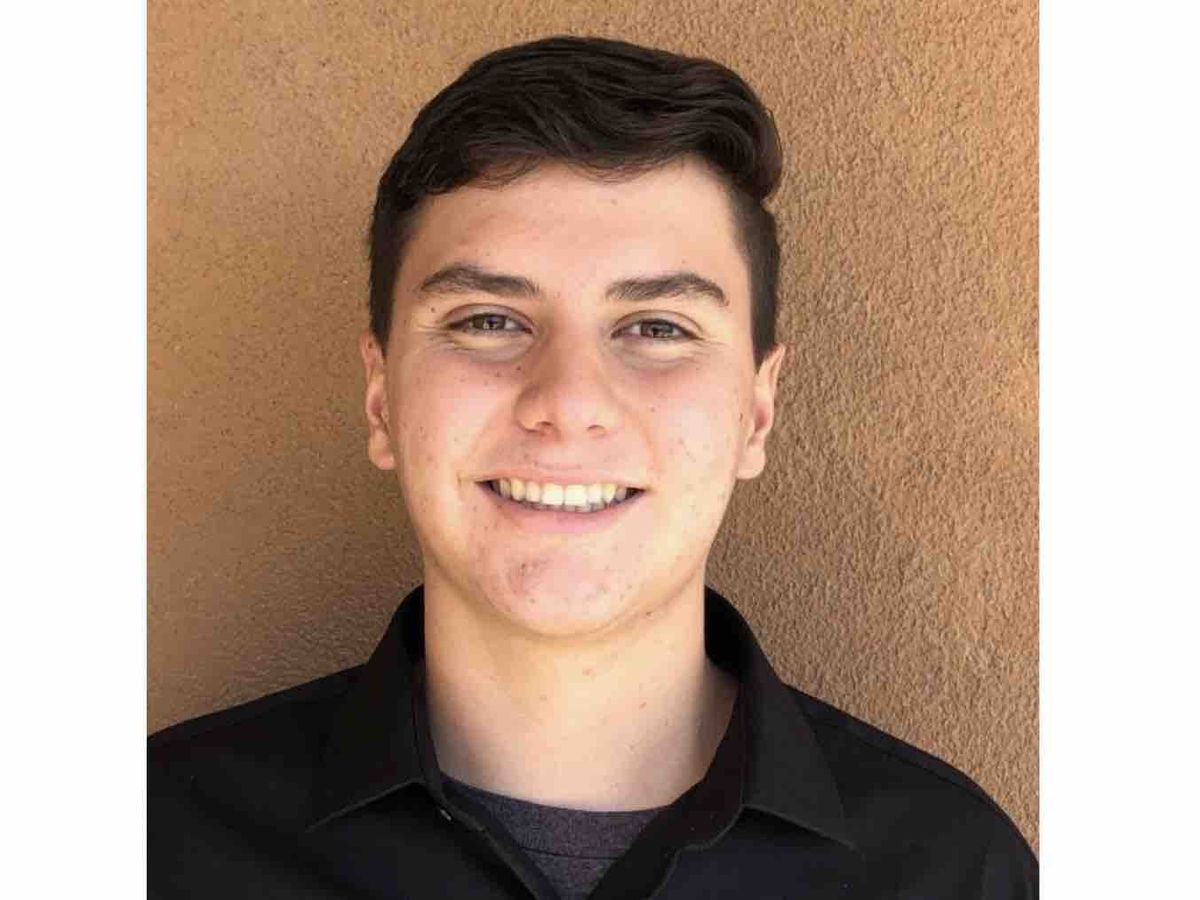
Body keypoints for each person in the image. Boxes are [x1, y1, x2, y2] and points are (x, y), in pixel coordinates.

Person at [148, 35, 1038, 899]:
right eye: (488, 320)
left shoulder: (953, 872)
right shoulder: (152, 847)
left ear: (757, 412)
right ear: (381, 397)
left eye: (657, 328)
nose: (568, 400)